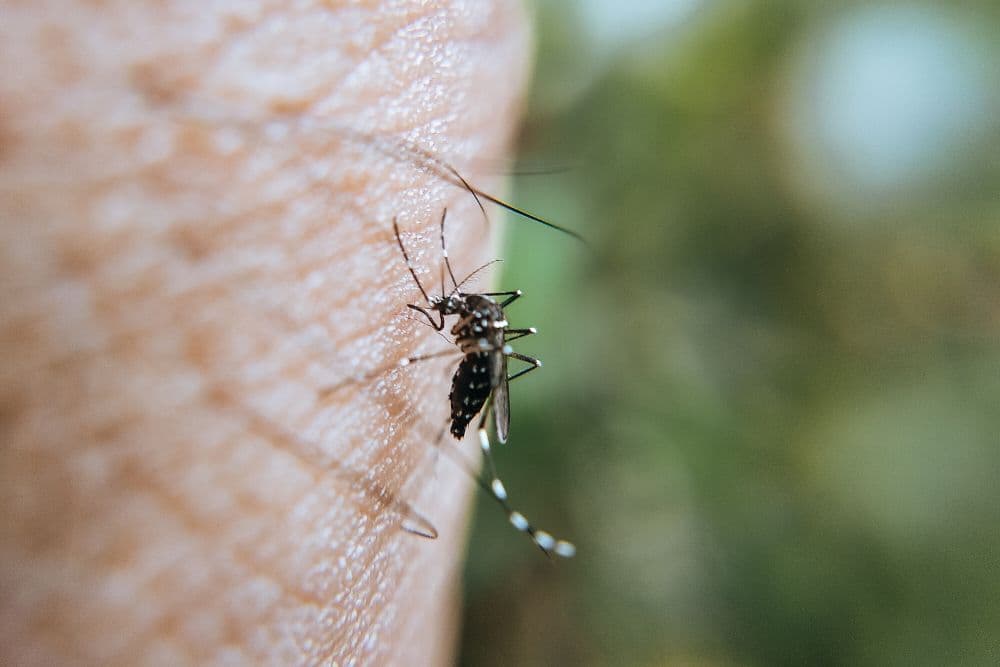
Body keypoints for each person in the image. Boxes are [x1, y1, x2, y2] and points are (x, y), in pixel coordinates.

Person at [0, 2, 530, 663]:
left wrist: (456, 347)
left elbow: (461, 328)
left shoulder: (476, 332)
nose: (452, 309)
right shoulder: (479, 317)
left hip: (480, 364)